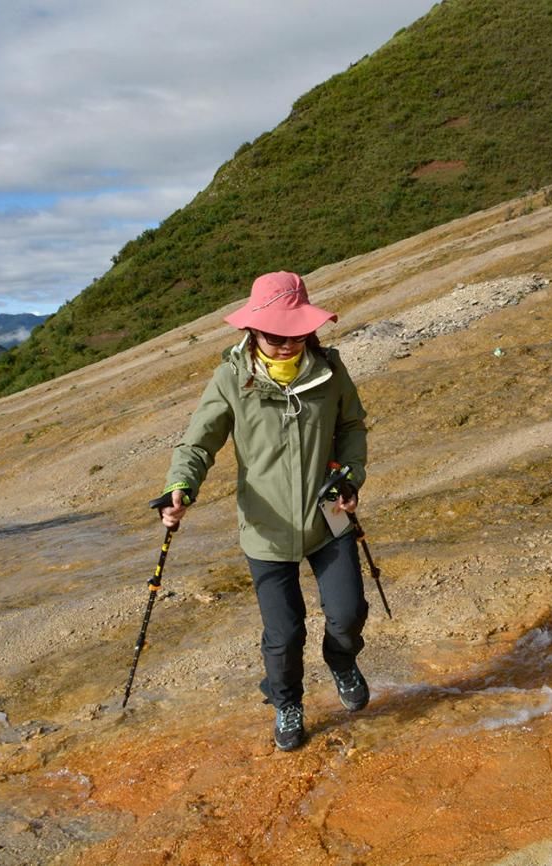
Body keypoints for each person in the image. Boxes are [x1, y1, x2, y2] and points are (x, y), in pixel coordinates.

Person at [154, 271, 370, 752]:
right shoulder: (232, 378)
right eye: (275, 334)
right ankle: (286, 701)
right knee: (284, 632)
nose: (286, 343)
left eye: (295, 333)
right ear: (252, 330)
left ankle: (341, 659)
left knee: (348, 613)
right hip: (266, 529)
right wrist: (180, 487)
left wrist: (350, 475)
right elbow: (199, 440)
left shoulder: (331, 370)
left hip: (327, 519)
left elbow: (353, 426)